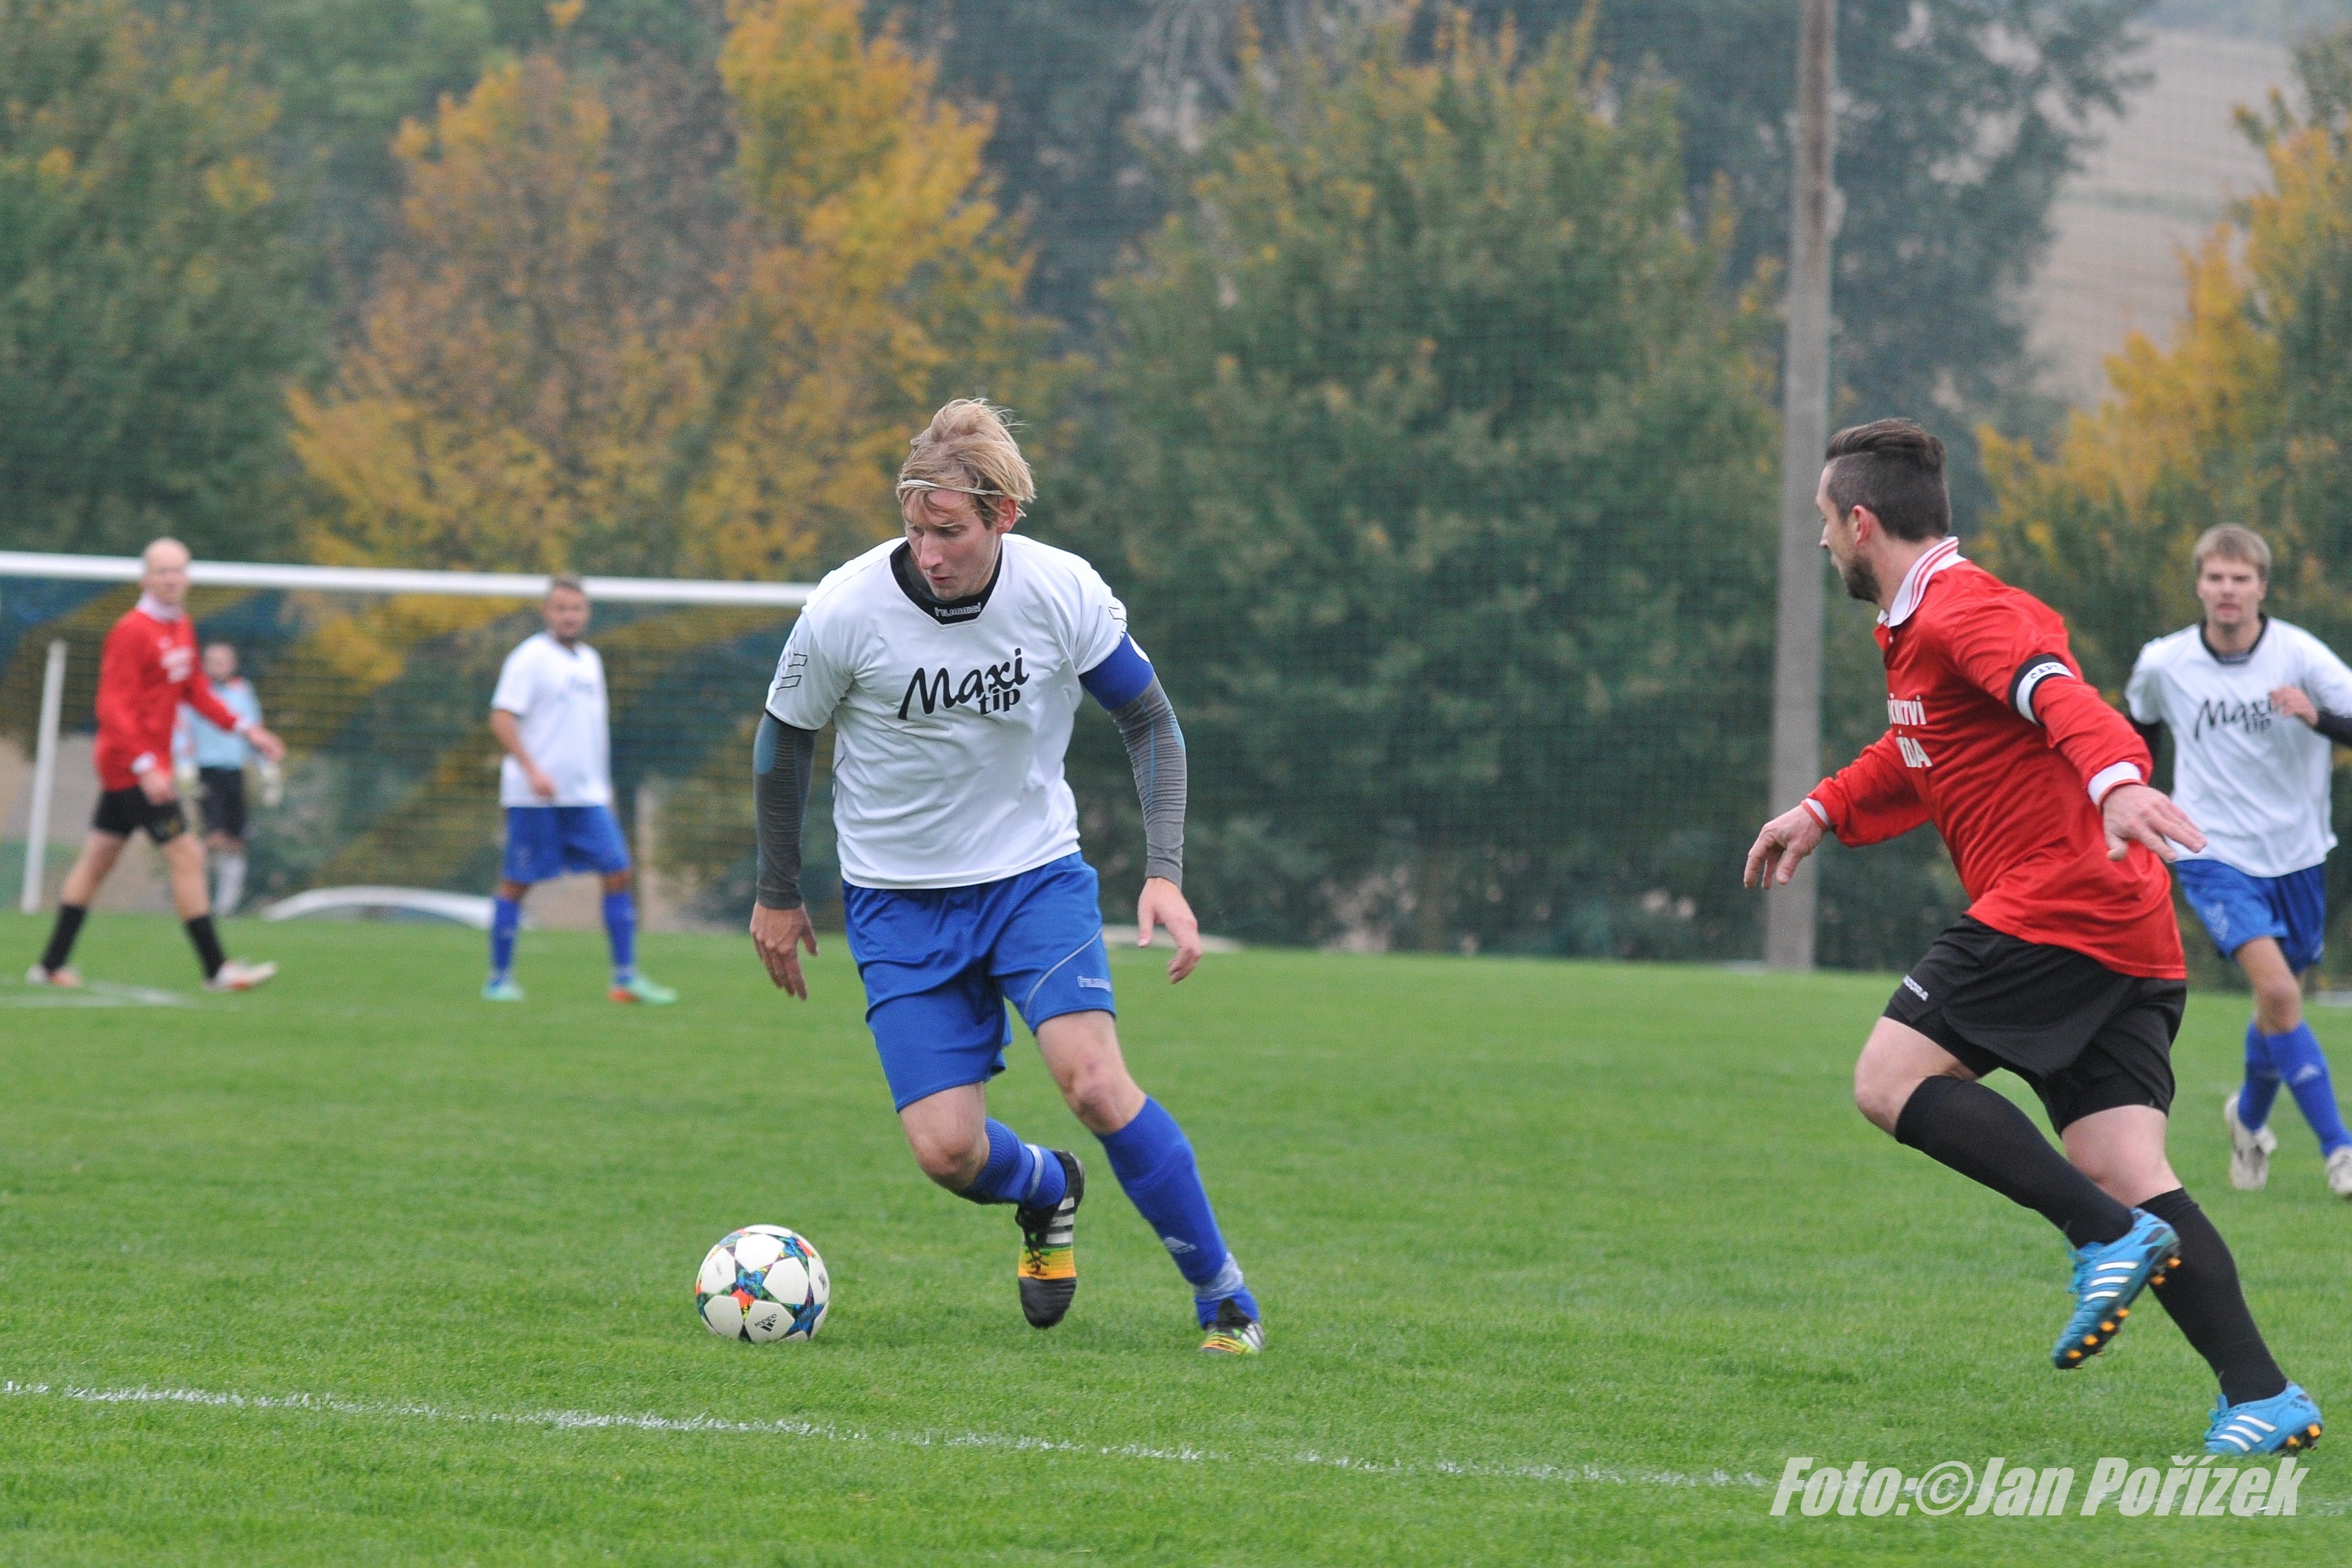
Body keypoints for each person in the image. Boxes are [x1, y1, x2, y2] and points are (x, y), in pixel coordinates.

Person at [1744, 420, 2320, 1456]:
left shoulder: (1965, 606)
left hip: (2060, 905)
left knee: (1889, 1080)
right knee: (2122, 1162)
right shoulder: (1919, 626)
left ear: (1861, 522)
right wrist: (1823, 810)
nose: (1821, 541)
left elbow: (2057, 693)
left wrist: (2119, 782)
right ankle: (2263, 1396)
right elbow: (1919, 750)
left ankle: (2103, 1238)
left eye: (1823, 522)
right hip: (2125, 927)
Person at [749, 399, 1263, 1354]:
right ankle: (1048, 1187)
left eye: (949, 531)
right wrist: (778, 890)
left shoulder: (1060, 590)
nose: (928, 552)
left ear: (1002, 517)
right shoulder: (844, 610)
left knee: (1095, 1082)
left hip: (1033, 880)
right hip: (898, 903)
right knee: (948, 1152)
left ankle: (1223, 1297)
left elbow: (1150, 721)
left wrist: (1163, 870)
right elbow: (784, 742)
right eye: (915, 529)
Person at [2125, 524, 2352, 1198]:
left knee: (2277, 1003)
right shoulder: (2165, 662)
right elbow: (2136, 732)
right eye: (2216, 577)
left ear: (2262, 587)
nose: (2228, 590)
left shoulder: (2299, 655)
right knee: (2280, 994)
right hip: (2211, 850)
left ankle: (2248, 1121)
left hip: (2297, 853)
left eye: (2241, 578)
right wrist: (2132, 800)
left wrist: (2317, 718)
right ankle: (2339, 1151)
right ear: (2199, 585)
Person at [28, 539, 285, 992]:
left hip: (142, 766)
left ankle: (49, 966)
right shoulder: (131, 630)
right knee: (187, 854)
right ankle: (217, 970)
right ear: (146, 578)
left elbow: (196, 691)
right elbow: (113, 707)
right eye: (162, 571)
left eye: (178, 570)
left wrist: (247, 730)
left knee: (97, 859)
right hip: (130, 766)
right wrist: (146, 766)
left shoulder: (181, 625)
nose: (171, 579)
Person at [484, 575, 675, 1005]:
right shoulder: (530, 658)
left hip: (586, 797)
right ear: (546, 612)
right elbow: (501, 717)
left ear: (586, 613)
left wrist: (599, 786)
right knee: (517, 882)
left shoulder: (590, 660)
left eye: (576, 609)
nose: (569, 616)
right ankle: (499, 980)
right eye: (561, 608)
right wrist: (532, 770)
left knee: (618, 871)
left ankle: (624, 979)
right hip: (536, 797)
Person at [176, 641, 264, 916]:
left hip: (235, 771)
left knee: (235, 840)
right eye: (212, 661)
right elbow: (182, 729)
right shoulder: (196, 691)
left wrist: (265, 766)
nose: (217, 667)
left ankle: (226, 905)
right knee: (213, 836)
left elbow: (253, 729)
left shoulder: (243, 691)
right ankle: (198, 899)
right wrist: (184, 765)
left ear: (233, 664)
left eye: (222, 661)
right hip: (206, 771)